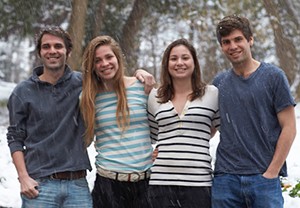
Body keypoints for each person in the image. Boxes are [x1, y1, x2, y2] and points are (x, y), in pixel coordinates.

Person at [212, 15, 297, 208]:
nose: (232, 46)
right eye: (226, 42)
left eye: (238, 39)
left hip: (264, 178)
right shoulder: (219, 83)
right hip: (226, 179)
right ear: (221, 47)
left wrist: (272, 172)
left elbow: (289, 128)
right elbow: (206, 127)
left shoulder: (274, 77)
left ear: (250, 40)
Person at [6, 26, 93, 207]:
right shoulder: (23, 92)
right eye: (46, 46)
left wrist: (140, 73)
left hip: (77, 185)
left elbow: (114, 81)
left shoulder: (83, 83)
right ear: (40, 52)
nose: (52, 51)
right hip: (39, 186)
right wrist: (23, 178)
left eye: (58, 46)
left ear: (68, 51)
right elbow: (15, 137)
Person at [80, 35, 153, 208]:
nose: (105, 63)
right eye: (98, 60)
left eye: (109, 57)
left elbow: (165, 122)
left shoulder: (142, 87)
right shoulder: (88, 98)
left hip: (145, 184)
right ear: (92, 67)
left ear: (118, 58)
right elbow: (82, 137)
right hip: (108, 185)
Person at [147, 38, 220, 208]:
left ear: (194, 62)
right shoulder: (154, 97)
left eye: (185, 58)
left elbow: (219, 127)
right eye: (174, 59)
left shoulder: (212, 94)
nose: (179, 63)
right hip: (160, 183)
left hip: (199, 183)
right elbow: (150, 136)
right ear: (167, 64)